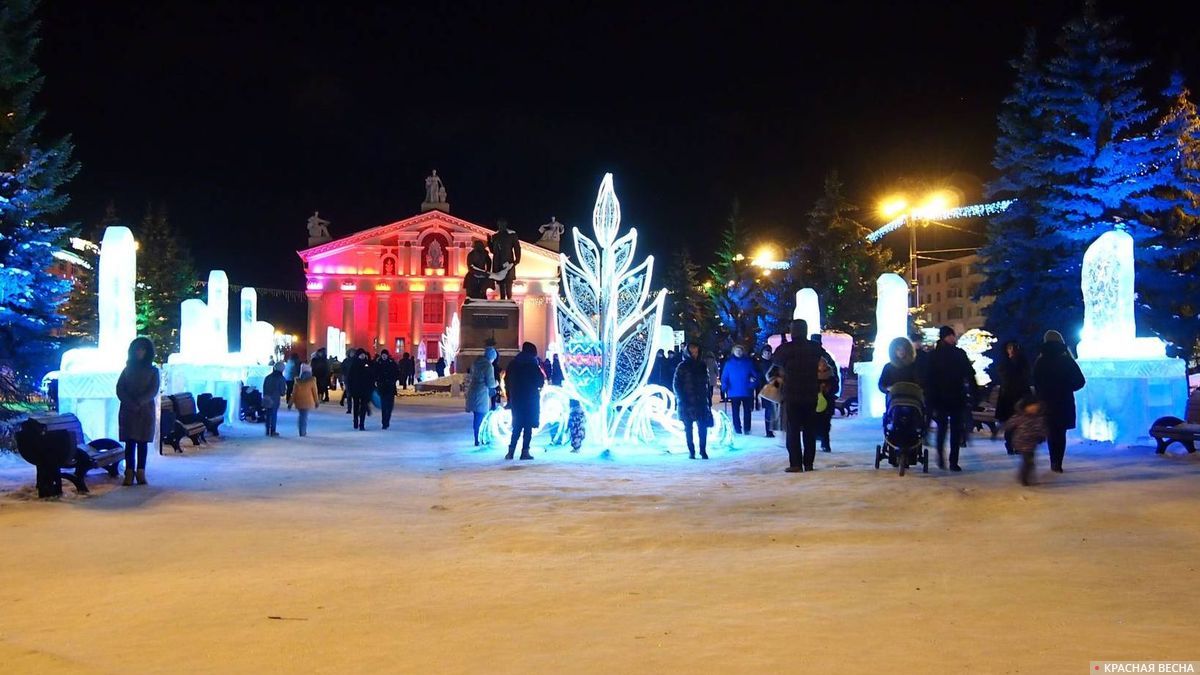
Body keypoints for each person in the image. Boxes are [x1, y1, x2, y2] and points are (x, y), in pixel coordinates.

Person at [772, 319, 830, 472]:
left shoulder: (785, 349)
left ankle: (795, 463)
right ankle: (809, 463)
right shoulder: (814, 347)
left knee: (793, 430)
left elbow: (776, 362)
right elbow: (826, 361)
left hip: (791, 393)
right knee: (810, 430)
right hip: (810, 393)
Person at [1032, 330, 1086, 473]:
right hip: (1063, 401)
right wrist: (1067, 388)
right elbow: (1080, 381)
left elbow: (1035, 382)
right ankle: (1058, 463)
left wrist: (1041, 394)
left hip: (1046, 402)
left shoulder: (1040, 361)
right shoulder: (1067, 360)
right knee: (1060, 433)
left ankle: (1053, 461)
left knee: (1051, 431)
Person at [926, 325, 975, 471]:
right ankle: (953, 461)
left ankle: (941, 457)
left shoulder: (933, 355)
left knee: (942, 428)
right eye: (953, 335)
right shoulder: (959, 354)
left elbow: (928, 379)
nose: (955, 338)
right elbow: (969, 375)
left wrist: (930, 397)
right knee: (955, 430)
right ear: (948, 336)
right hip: (956, 396)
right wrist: (974, 394)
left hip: (940, 397)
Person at [116, 336, 160, 486]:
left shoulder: (153, 371)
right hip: (129, 411)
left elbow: (153, 390)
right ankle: (129, 472)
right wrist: (129, 402)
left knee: (142, 443)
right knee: (130, 443)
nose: (139, 352)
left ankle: (141, 471)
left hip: (145, 411)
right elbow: (120, 388)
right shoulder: (127, 370)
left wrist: (140, 402)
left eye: (142, 350)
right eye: (137, 350)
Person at [673, 342, 713, 459]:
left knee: (702, 428)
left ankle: (703, 450)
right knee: (688, 429)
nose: (695, 354)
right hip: (687, 401)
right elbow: (676, 384)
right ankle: (692, 451)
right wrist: (682, 398)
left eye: (696, 351)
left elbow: (706, 383)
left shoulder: (702, 365)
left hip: (701, 401)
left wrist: (708, 399)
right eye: (692, 352)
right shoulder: (682, 366)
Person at [504, 342, 544, 459]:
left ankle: (510, 452)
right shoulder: (533, 365)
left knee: (517, 425)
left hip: (516, 398)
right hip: (530, 399)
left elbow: (507, 380)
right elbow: (540, 382)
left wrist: (510, 396)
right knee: (528, 427)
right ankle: (525, 452)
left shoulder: (513, 363)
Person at [995, 340, 1032, 454]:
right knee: (1010, 422)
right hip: (1008, 397)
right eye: (1009, 348)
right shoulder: (1004, 363)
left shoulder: (1022, 362)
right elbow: (1005, 377)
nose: (1011, 351)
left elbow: (1026, 376)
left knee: (1020, 422)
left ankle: (1018, 444)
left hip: (1020, 395)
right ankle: (1010, 443)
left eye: (1013, 348)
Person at [1006, 395, 1047, 486]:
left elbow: (1041, 428)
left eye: (1036, 407)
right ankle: (1024, 478)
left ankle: (1025, 476)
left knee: (1029, 461)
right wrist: (998, 431)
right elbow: (1009, 424)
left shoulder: (1039, 418)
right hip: (1021, 441)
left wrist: (1042, 436)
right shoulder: (1020, 417)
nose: (1034, 409)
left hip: (1032, 443)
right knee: (1028, 461)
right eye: (1031, 407)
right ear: (1025, 407)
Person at [720, 344, 759, 435]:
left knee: (747, 411)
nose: (738, 352)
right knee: (735, 411)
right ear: (733, 351)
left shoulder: (748, 363)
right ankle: (737, 428)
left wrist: (752, 384)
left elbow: (756, 376)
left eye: (740, 350)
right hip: (734, 391)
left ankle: (747, 428)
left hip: (746, 390)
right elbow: (724, 377)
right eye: (737, 350)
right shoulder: (729, 363)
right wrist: (724, 386)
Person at [465, 347, 499, 446]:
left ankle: (477, 438)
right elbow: (490, 383)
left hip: (473, 391)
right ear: (492, 357)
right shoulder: (488, 366)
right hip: (481, 394)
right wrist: (497, 383)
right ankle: (481, 439)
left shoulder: (476, 363)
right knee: (483, 418)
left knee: (477, 417)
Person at [813, 333, 839, 453]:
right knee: (821, 421)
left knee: (823, 421)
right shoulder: (824, 356)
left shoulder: (824, 357)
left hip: (825, 397)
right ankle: (823, 442)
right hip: (817, 396)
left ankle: (824, 442)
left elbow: (834, 378)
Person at [349, 349, 375, 430]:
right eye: (361, 354)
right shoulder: (354, 364)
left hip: (365, 389)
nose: (362, 356)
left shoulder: (368, 363)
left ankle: (362, 424)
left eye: (363, 354)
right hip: (356, 389)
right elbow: (350, 378)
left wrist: (371, 387)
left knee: (363, 406)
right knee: (356, 406)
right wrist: (350, 389)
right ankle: (356, 420)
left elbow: (371, 376)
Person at [755, 345, 777, 438]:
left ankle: (770, 429)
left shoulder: (773, 363)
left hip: (773, 388)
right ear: (762, 353)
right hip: (764, 389)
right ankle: (769, 431)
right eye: (766, 352)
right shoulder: (759, 364)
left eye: (769, 352)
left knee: (772, 410)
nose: (768, 354)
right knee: (769, 410)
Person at [375, 349, 400, 430]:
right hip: (382, 387)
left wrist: (393, 380)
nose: (384, 356)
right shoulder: (378, 363)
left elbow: (397, 373)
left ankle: (387, 420)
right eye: (383, 355)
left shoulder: (392, 363)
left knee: (389, 406)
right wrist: (378, 380)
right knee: (384, 406)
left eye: (385, 355)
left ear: (387, 355)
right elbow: (375, 373)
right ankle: (384, 422)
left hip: (390, 387)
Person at [292, 363, 319, 437]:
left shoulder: (297, 381)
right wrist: (316, 402)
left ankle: (301, 429)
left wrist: (290, 403)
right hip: (308, 401)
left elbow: (293, 393)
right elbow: (315, 392)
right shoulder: (312, 381)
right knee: (304, 417)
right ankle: (302, 431)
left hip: (299, 401)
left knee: (301, 416)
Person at [262, 362, 287, 437]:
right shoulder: (281, 378)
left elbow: (264, 387)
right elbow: (282, 392)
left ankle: (267, 430)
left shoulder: (267, 377)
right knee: (273, 414)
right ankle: (273, 431)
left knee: (268, 414)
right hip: (275, 399)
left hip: (267, 398)